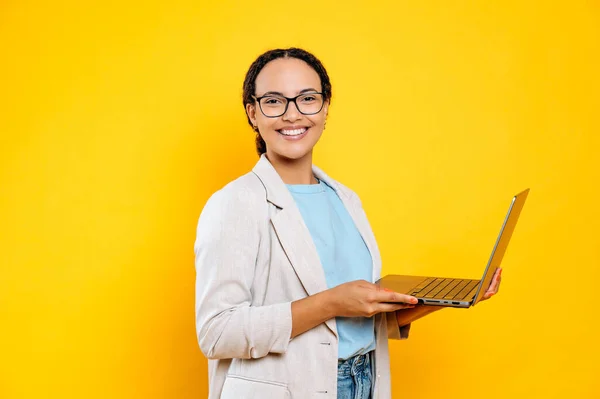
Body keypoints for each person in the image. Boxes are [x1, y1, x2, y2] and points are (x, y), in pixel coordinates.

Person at [194, 47, 502, 399]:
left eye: (307, 99)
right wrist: (331, 302)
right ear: (253, 113)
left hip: (363, 381)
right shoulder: (235, 203)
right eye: (274, 101)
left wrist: (435, 301)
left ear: (325, 108)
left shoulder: (344, 199)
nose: (292, 115)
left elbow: (351, 324)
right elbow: (217, 332)